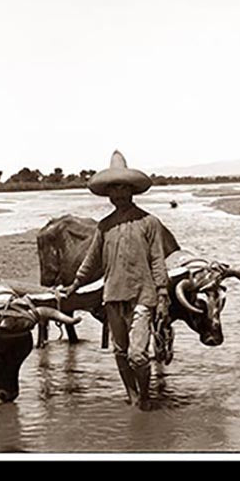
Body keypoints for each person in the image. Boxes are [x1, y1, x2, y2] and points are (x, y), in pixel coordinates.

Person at [60, 150, 170, 411]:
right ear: (108, 194)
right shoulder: (104, 226)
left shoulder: (149, 222)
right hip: (112, 296)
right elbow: (90, 262)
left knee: (138, 355)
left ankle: (145, 396)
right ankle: (132, 395)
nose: (118, 194)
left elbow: (158, 259)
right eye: (113, 189)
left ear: (132, 190)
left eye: (123, 188)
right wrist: (74, 286)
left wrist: (163, 293)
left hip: (142, 296)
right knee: (120, 352)